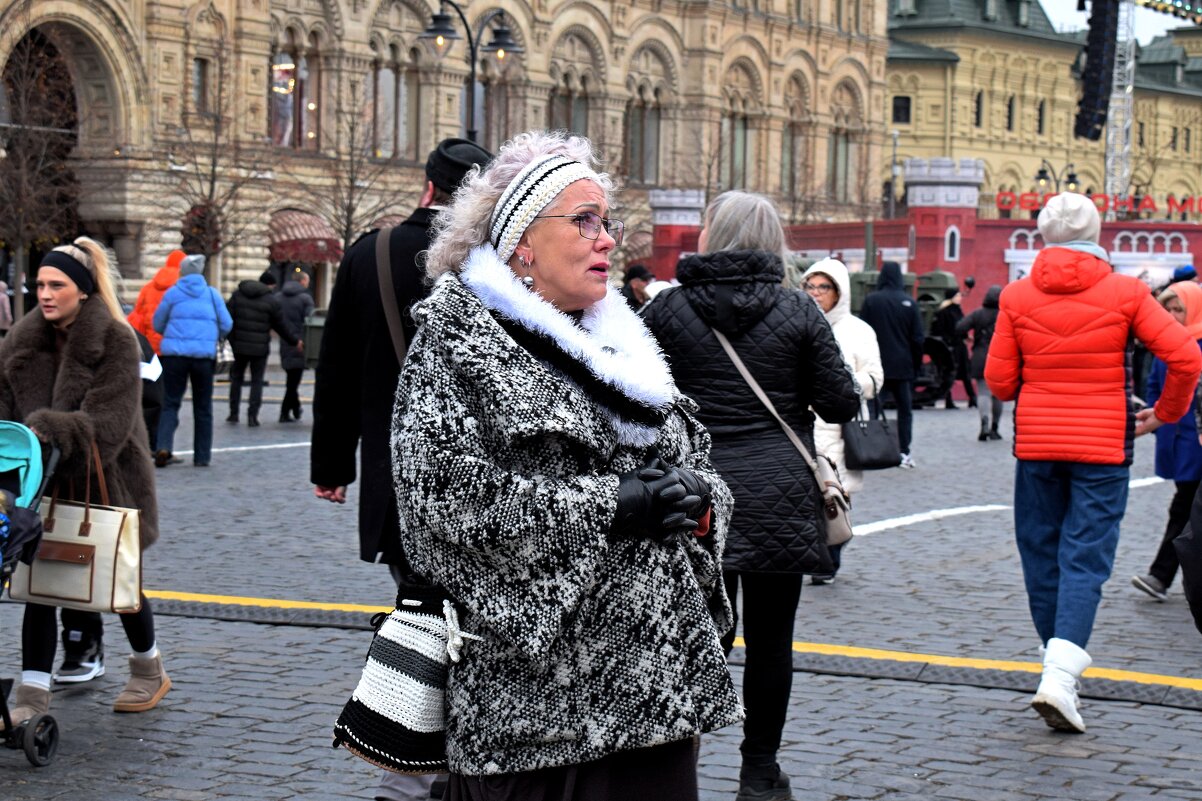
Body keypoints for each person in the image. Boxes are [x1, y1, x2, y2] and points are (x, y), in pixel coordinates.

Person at [392, 130, 742, 799]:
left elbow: (698, 460)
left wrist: (697, 502)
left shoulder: (627, 349)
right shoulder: (461, 340)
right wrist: (611, 505)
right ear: (523, 240)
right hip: (534, 710)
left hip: (652, 698)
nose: (607, 238)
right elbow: (437, 498)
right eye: (584, 221)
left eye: (607, 222)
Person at [642, 191, 859, 800]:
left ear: (712, 234)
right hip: (778, 494)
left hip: (692, 494)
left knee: (689, 632)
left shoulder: (666, 310)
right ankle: (759, 770)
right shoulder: (799, 311)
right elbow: (841, 402)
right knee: (772, 640)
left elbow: (628, 396)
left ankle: (671, 762)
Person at [313, 136, 491, 801]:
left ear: (426, 185)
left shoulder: (370, 254)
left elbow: (335, 366)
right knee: (473, 615)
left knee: (417, 605)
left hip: (396, 473)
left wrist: (332, 464)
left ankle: (416, 753)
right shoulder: (496, 260)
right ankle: (461, 750)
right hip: (481, 472)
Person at [985, 192, 1201, 734]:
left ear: (1041, 235)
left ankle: (1054, 666)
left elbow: (1000, 383)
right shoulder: (1126, 292)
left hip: (1037, 443)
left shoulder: (1015, 295)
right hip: (1104, 444)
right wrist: (1165, 414)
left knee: (1040, 552)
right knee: (1085, 557)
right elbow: (1186, 356)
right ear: (1098, 233)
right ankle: (1061, 676)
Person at [0, 237, 171, 729]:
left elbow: (110, 425)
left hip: (108, 481)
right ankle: (33, 693)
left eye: (57, 285)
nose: (46, 295)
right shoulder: (19, 342)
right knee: (37, 585)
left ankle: (147, 666)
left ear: (84, 291)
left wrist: (49, 429)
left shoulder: (116, 340)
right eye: (39, 285)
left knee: (122, 583)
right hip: (39, 482)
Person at [801, 257, 883, 586]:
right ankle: (816, 555)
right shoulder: (795, 322)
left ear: (839, 292)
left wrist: (843, 386)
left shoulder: (859, 332)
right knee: (804, 495)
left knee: (833, 495)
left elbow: (875, 378)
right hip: (799, 423)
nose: (816, 293)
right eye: (811, 286)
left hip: (838, 425)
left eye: (824, 287)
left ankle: (828, 558)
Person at [1131, 281, 1202, 602]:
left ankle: (1161, 576)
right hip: (1179, 441)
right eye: (1169, 310)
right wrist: (1157, 421)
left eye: (1179, 310)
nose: (1173, 316)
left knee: (1184, 509)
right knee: (1187, 510)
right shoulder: (1168, 346)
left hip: (1195, 443)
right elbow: (1154, 388)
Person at [152, 254, 232, 467]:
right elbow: (227, 323)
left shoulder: (173, 293)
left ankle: (163, 446)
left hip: (174, 357)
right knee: (203, 407)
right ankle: (202, 456)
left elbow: (158, 322)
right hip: (203, 358)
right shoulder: (211, 294)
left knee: (170, 402)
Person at [860, 261, 924, 469]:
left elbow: (862, 332)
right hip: (903, 365)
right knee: (905, 410)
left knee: (873, 408)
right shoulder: (909, 302)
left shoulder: (871, 301)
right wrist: (916, 365)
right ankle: (904, 451)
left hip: (876, 365)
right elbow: (917, 338)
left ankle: (870, 450)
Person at [225, 271, 299, 427]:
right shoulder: (270, 301)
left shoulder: (237, 295)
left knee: (236, 379)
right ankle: (252, 416)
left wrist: (230, 340)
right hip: (259, 349)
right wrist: (294, 341)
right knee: (256, 381)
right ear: (270, 285)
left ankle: (233, 413)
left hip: (238, 346)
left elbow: (227, 319)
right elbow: (281, 325)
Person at [956, 284, 1005, 442]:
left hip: (980, 355)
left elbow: (960, 327)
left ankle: (984, 422)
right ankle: (995, 428)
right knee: (998, 395)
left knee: (983, 392)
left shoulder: (978, 314)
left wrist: (967, 337)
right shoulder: (1005, 315)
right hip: (1001, 357)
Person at [127, 249, 184, 355]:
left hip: (150, 345)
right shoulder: (182, 289)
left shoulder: (148, 288)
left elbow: (138, 313)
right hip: (174, 347)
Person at [277, 269, 314, 423]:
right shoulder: (305, 298)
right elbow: (310, 321)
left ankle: (295, 408)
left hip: (284, 341)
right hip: (300, 342)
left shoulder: (278, 297)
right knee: (293, 381)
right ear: (303, 281)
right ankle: (286, 411)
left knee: (291, 378)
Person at [931, 289, 976, 410]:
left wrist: (966, 336)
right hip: (950, 347)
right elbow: (941, 330)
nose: (960, 297)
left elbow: (962, 327)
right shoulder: (944, 312)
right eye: (957, 295)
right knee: (951, 373)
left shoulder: (957, 310)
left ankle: (972, 398)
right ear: (951, 297)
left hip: (960, 346)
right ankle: (949, 400)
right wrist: (950, 340)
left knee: (966, 373)